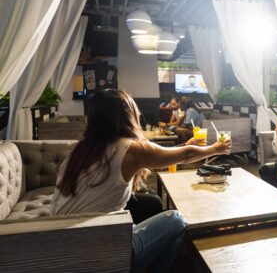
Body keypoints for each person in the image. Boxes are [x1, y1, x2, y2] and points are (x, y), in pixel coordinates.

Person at [51, 89, 231, 273]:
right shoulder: (129, 149)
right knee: (176, 219)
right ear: (128, 115)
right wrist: (216, 149)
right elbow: (186, 156)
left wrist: (185, 146)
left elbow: (167, 154)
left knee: (147, 210)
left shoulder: (79, 149)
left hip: (58, 248)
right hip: (99, 254)